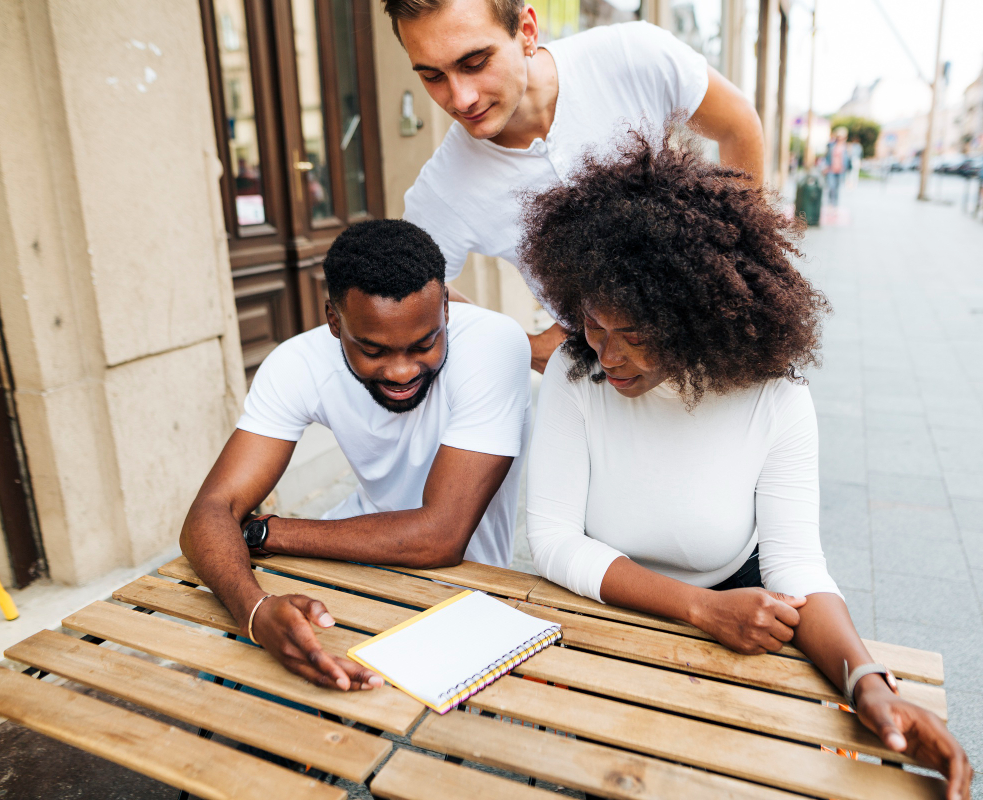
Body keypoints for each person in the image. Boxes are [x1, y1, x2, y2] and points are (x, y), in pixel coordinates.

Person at [521, 129, 973, 796]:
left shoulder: (776, 400)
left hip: (738, 616)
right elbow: (552, 539)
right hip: (605, 615)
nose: (608, 355)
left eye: (636, 334)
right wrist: (699, 609)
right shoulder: (574, 370)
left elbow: (796, 569)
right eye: (595, 325)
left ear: (694, 317)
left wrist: (869, 687)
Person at [181, 219, 531, 691]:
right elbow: (210, 510)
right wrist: (256, 612)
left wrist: (270, 531)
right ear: (332, 319)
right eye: (373, 350)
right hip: (348, 565)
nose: (403, 370)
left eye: (424, 343)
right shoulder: (296, 363)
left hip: (464, 587)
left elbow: (440, 536)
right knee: (227, 679)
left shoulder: (494, 343)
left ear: (446, 308)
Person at [385, 0, 764, 372]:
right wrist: (521, 345)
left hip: (711, 346)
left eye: (475, 63)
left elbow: (738, 125)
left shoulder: (632, 54)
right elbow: (408, 293)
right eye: (432, 76)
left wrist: (736, 267)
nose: (461, 98)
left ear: (527, 31)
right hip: (599, 383)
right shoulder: (443, 185)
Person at [824, 126, 850, 206]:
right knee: (831, 187)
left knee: (837, 189)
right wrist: (826, 167)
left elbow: (848, 160)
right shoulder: (831, 146)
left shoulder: (846, 147)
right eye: (839, 137)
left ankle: (835, 204)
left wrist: (847, 170)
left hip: (840, 170)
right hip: (831, 169)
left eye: (842, 137)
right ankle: (830, 202)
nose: (840, 138)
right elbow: (827, 157)